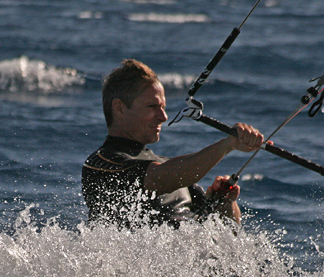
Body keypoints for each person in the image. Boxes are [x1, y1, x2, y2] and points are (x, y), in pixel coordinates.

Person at [82, 59, 264, 229]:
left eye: (163, 107)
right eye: (153, 107)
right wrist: (227, 145)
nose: (164, 117)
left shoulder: (173, 168)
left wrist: (225, 202)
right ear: (120, 108)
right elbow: (161, 178)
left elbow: (229, 230)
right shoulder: (101, 166)